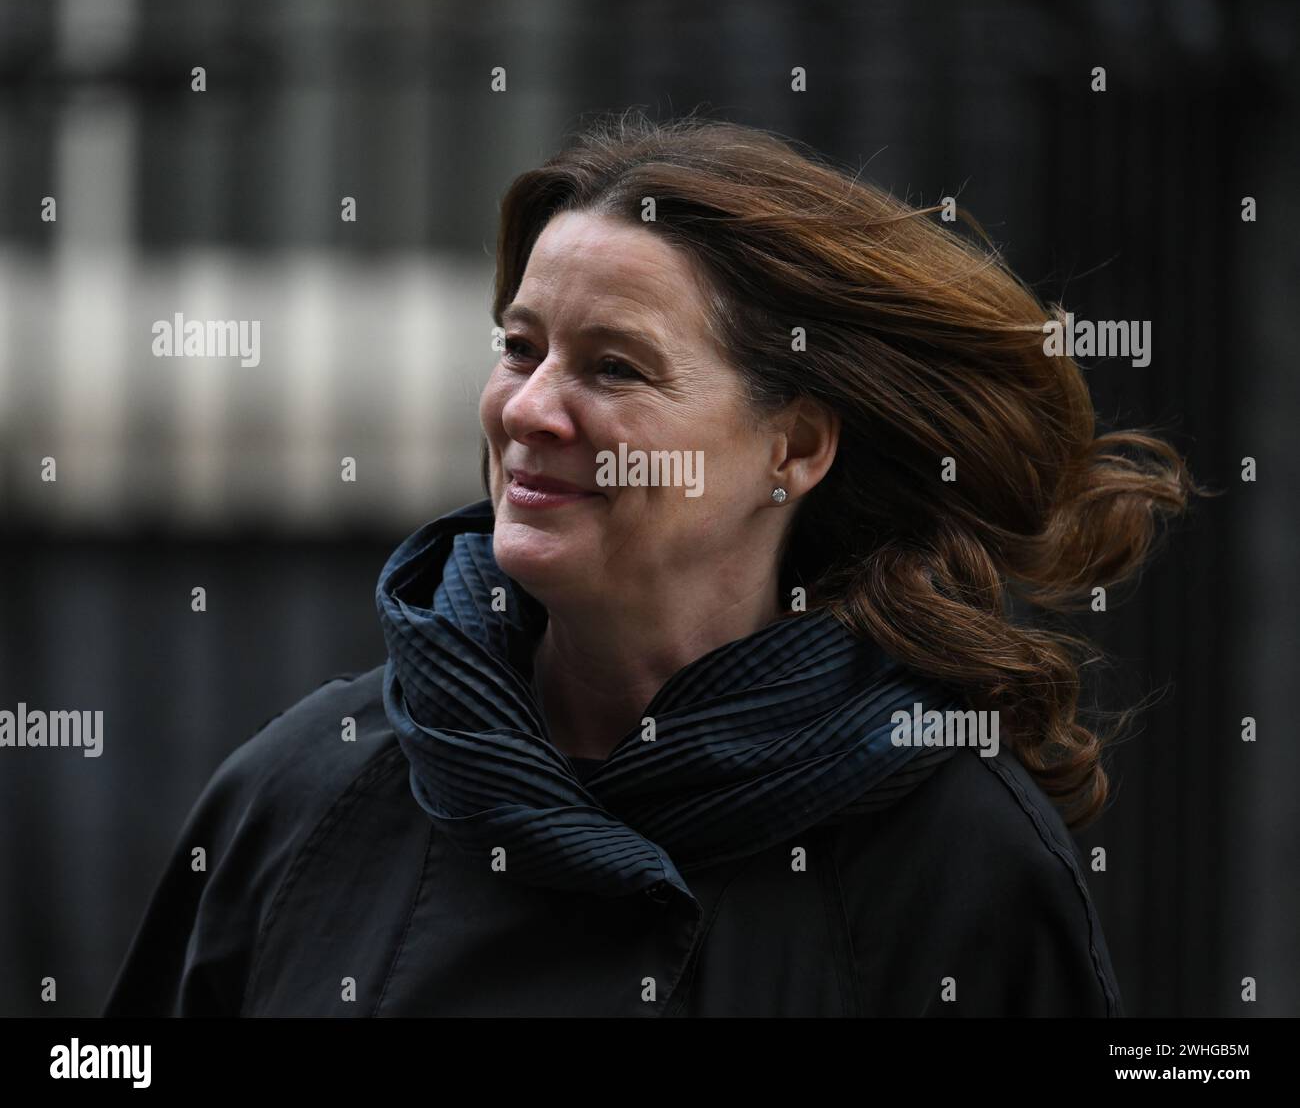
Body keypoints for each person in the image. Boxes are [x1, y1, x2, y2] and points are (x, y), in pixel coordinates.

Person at [103, 111, 1194, 1017]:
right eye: (520, 347)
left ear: (795, 446)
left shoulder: (952, 857)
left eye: (614, 366)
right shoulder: (307, 789)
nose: (529, 408)